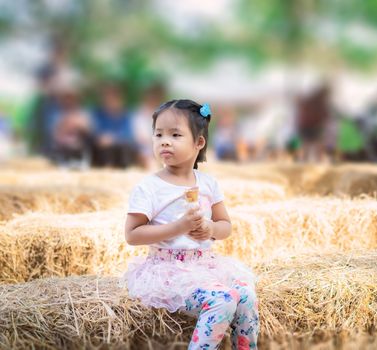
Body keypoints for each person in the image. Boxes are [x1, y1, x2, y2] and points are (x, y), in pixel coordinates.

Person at [123, 99, 259, 349]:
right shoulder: (150, 188)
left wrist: (210, 228)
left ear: (199, 143)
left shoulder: (208, 183)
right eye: (158, 134)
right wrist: (179, 227)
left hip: (205, 265)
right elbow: (132, 235)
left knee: (246, 294)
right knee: (223, 299)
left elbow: (225, 226)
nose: (164, 141)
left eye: (175, 134)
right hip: (168, 271)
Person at [91, 83, 137, 168]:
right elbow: (94, 131)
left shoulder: (125, 114)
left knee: (124, 146)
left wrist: (113, 138)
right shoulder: (98, 113)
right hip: (102, 147)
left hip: (119, 147)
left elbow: (128, 134)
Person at [132, 82, 167, 170]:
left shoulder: (165, 113)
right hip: (145, 146)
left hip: (161, 144)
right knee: (148, 155)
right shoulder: (139, 113)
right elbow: (139, 136)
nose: (153, 98)